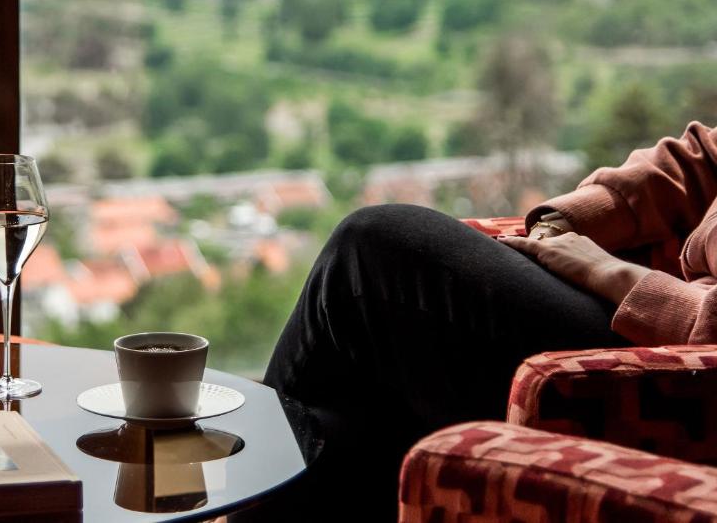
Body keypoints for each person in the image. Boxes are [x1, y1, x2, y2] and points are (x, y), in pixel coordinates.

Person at [262, 121, 717, 517]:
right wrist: (566, 221)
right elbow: (704, 158)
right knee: (356, 417)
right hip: (654, 311)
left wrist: (613, 274)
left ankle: (244, 486)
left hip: (684, 365)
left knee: (370, 251)